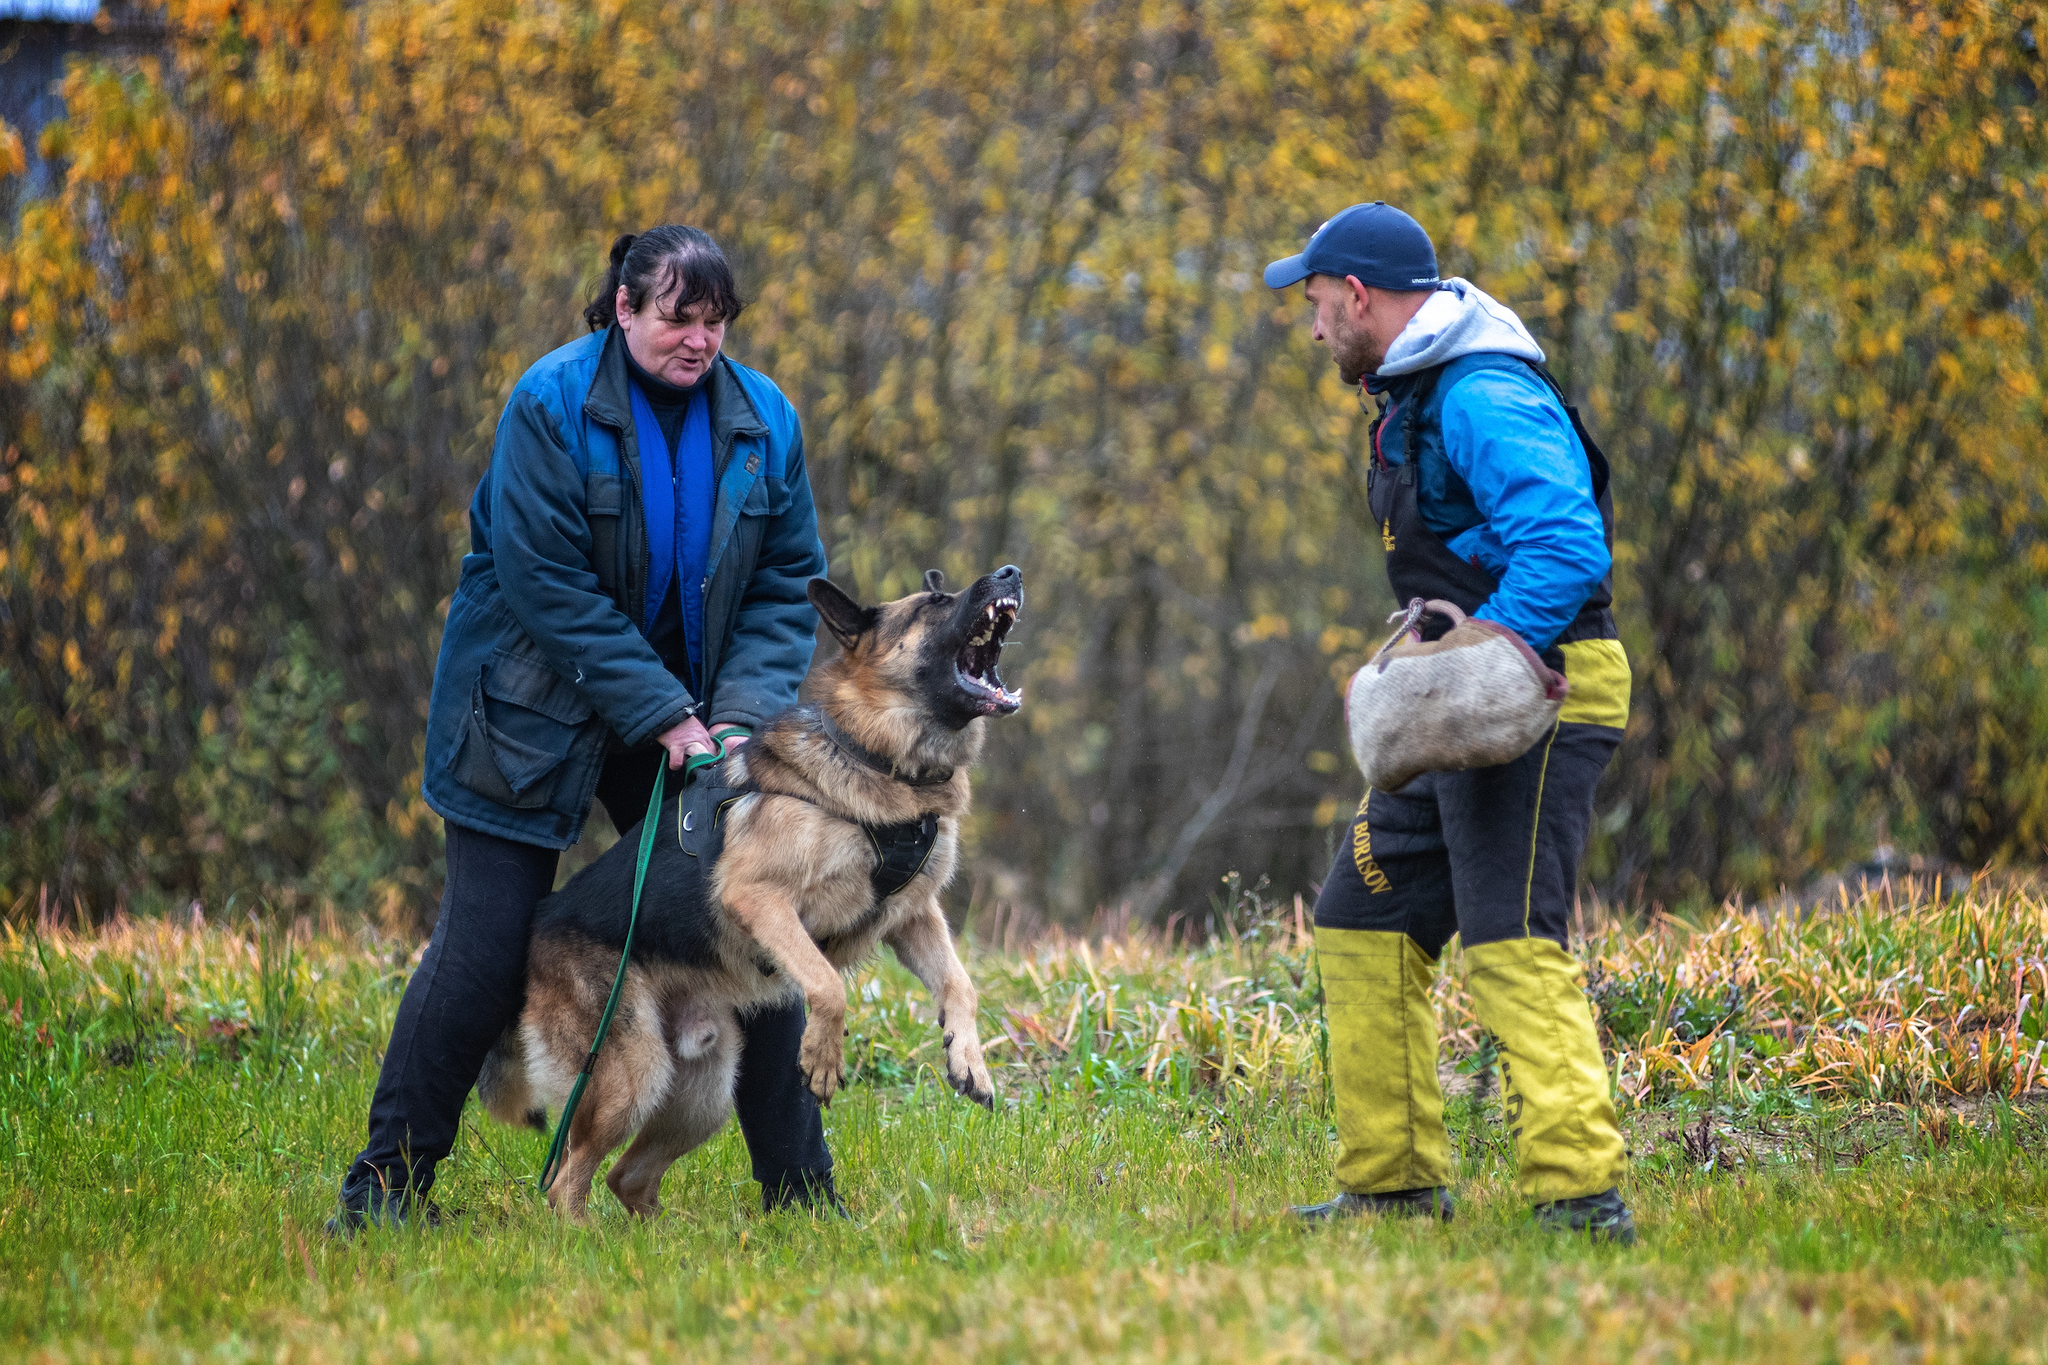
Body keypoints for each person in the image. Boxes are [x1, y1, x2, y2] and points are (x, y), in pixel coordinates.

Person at [329, 226, 835, 1232]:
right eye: (675, 319)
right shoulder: (550, 404)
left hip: (695, 721)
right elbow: (545, 585)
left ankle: (800, 1199)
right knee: (481, 949)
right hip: (529, 710)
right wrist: (664, 715)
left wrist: (732, 717)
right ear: (620, 309)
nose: (698, 340)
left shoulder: (763, 417)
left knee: (760, 930)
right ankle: (382, 1193)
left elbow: (786, 583)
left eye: (714, 321)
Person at [1266, 203, 1637, 1242]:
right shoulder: (1412, 395)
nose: (1311, 330)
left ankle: (1578, 1198)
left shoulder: (1479, 392)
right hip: (1455, 710)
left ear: (1360, 296)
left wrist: (1494, 654)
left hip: (1542, 695)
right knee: (1361, 921)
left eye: (1315, 305)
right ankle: (1390, 1187)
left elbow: (1567, 543)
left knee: (1511, 935)